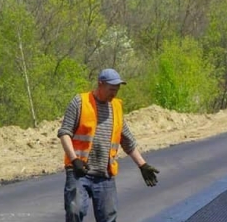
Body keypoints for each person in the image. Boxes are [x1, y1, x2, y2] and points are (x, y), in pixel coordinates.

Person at [57, 68, 160, 222]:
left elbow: (127, 141)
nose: (114, 93)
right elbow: (64, 133)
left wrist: (142, 165)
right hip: (79, 171)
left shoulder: (116, 107)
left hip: (105, 176)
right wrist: (74, 160)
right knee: (75, 211)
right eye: (112, 89)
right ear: (100, 84)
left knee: (108, 218)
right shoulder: (80, 102)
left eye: (117, 89)